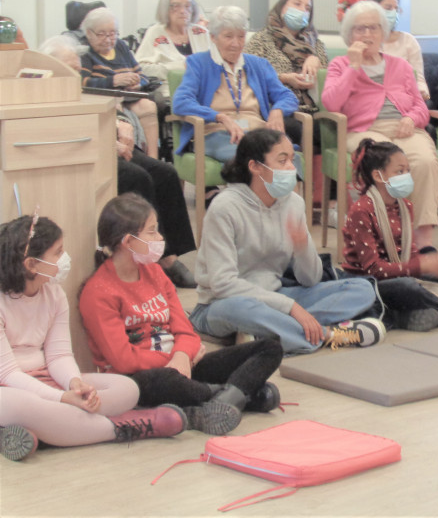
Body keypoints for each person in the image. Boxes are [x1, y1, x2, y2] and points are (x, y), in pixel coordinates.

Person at [79, 194, 283, 435]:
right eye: (152, 232)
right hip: (142, 377)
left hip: (182, 364)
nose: (160, 238)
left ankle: (217, 401)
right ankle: (236, 395)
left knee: (269, 347)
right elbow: (123, 360)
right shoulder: (98, 292)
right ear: (128, 241)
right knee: (164, 381)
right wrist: (175, 360)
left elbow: (186, 330)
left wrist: (182, 356)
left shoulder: (154, 272)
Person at [0, 213, 186, 462]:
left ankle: (43, 431)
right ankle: (124, 428)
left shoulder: (54, 295)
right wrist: (63, 398)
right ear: (31, 265)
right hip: (11, 388)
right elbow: (8, 374)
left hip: (47, 379)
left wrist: (75, 384)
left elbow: (59, 355)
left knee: (127, 388)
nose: (64, 259)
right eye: (57, 253)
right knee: (22, 405)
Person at [188, 129, 384, 355]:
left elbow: (310, 279)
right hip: (221, 304)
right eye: (282, 161)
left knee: (361, 289)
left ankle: (269, 332)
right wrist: (291, 308)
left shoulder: (294, 204)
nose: (292, 167)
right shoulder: (224, 208)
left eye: (292, 159)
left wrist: (302, 248)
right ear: (255, 166)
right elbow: (223, 284)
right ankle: (329, 335)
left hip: (276, 296)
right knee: (240, 309)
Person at [40, 35, 197, 289]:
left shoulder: (76, 86)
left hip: (105, 143)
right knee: (137, 177)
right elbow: (62, 133)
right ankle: (144, 256)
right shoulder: (44, 93)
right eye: (69, 69)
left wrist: (118, 123)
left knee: (166, 173)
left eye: (78, 68)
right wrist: (104, 141)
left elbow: (100, 109)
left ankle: (168, 255)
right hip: (84, 152)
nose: (76, 74)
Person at [342, 139, 438, 331]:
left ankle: (432, 308)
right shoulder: (361, 210)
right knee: (407, 287)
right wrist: (421, 265)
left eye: (407, 171)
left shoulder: (405, 206)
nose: (406, 176)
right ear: (378, 175)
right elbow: (374, 270)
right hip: (372, 285)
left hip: (406, 276)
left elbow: (410, 256)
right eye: (399, 171)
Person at [322, 0, 438, 249]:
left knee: (425, 161)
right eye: (360, 29)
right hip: (363, 131)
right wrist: (354, 66)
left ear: (383, 32)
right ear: (349, 34)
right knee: (390, 162)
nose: (367, 34)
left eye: (374, 28)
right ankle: (387, 235)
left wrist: (411, 118)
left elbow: (420, 106)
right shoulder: (340, 65)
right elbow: (331, 104)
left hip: (403, 128)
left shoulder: (401, 65)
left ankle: (423, 240)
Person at [171, 5, 300, 165]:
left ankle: (285, 191)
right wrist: (219, 117)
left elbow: (287, 96)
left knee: (289, 157)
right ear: (213, 37)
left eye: (241, 36)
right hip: (216, 133)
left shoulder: (259, 65)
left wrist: (278, 110)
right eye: (228, 36)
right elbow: (181, 102)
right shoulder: (198, 63)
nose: (236, 43)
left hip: (256, 134)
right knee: (254, 158)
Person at [79, 7, 160, 159]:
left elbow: (143, 76)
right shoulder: (84, 51)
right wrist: (112, 81)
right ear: (89, 33)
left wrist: (137, 83)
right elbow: (82, 83)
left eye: (112, 33)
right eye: (102, 34)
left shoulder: (121, 46)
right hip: (104, 97)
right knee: (117, 107)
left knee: (149, 106)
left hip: (128, 94)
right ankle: (128, 156)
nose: (108, 39)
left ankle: (153, 158)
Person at [244, 0, 329, 113]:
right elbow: (249, 74)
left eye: (307, 8)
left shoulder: (316, 45)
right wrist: (284, 78)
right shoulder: (261, 39)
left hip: (314, 109)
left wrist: (316, 61)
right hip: (276, 107)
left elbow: (331, 80)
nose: (302, 10)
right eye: (297, 4)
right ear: (282, 6)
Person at [135, 0, 211, 99]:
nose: (182, 11)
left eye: (188, 6)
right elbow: (140, 68)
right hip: (170, 94)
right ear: (165, 9)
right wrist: (176, 67)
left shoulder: (201, 33)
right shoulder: (155, 33)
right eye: (176, 6)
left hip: (205, 92)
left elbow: (217, 62)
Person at [368, 0, 429, 100]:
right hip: (372, 97)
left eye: (396, 9)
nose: (393, 12)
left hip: (405, 97)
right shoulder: (366, 41)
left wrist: (421, 91)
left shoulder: (408, 40)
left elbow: (418, 78)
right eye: (388, 8)